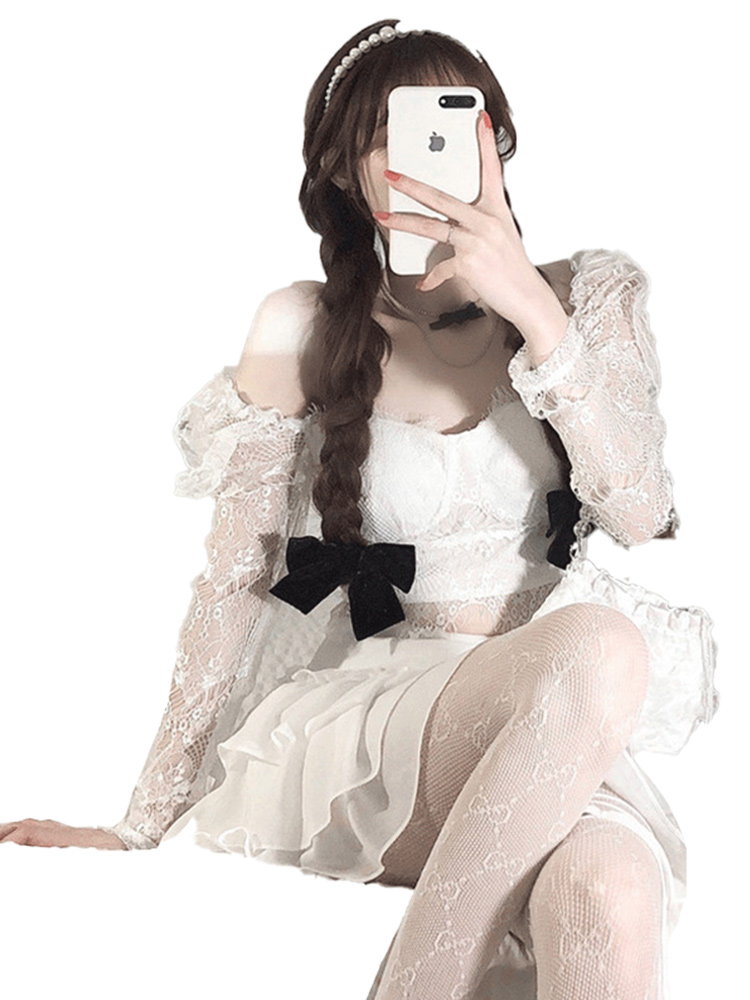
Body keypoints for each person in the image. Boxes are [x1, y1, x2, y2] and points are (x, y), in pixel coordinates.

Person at [0, 18, 719, 1000]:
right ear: (347, 170)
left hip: (557, 715)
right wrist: (140, 821)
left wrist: (532, 309)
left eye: (458, 124)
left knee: (613, 885)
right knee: (603, 649)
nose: (435, 154)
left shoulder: (585, 300)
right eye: (396, 135)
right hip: (390, 727)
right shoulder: (303, 325)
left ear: (498, 140)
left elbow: (638, 510)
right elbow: (235, 582)